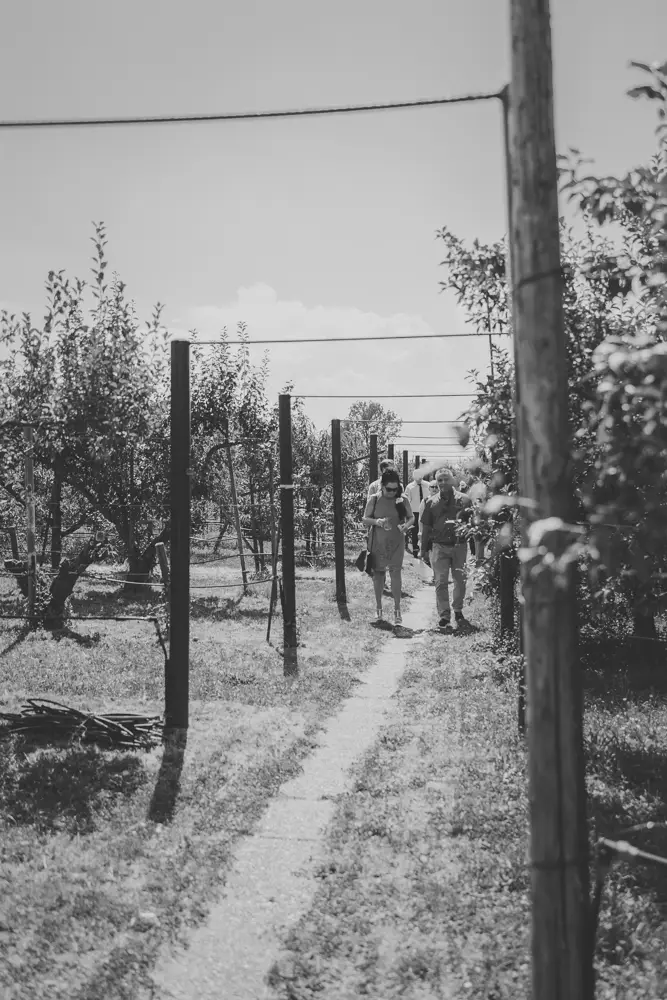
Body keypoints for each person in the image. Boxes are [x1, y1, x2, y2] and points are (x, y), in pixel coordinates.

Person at [420, 467, 473, 629]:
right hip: (439, 546)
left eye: (446, 479)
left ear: (453, 481)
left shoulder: (465, 500)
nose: (443, 483)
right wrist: (423, 549)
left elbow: (471, 525)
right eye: (439, 480)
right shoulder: (430, 502)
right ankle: (444, 615)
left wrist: (475, 549)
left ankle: (457, 610)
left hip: (459, 546)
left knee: (460, 581)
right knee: (440, 582)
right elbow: (426, 528)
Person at [362, 468, 414, 625]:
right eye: (389, 489)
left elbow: (411, 518)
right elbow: (365, 519)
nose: (392, 492)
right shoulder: (374, 499)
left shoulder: (402, 499)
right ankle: (379, 609)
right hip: (378, 541)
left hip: (396, 540)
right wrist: (378, 522)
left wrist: (406, 526)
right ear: (382, 486)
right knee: (378, 575)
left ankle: (397, 610)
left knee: (396, 574)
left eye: (395, 488)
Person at [405, 462, 437, 557]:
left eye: (421, 476)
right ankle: (415, 549)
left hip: (427, 510)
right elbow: (407, 500)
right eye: (418, 477)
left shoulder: (428, 485)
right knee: (415, 531)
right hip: (414, 512)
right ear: (414, 477)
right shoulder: (409, 487)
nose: (419, 478)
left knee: (426, 530)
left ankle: (427, 549)